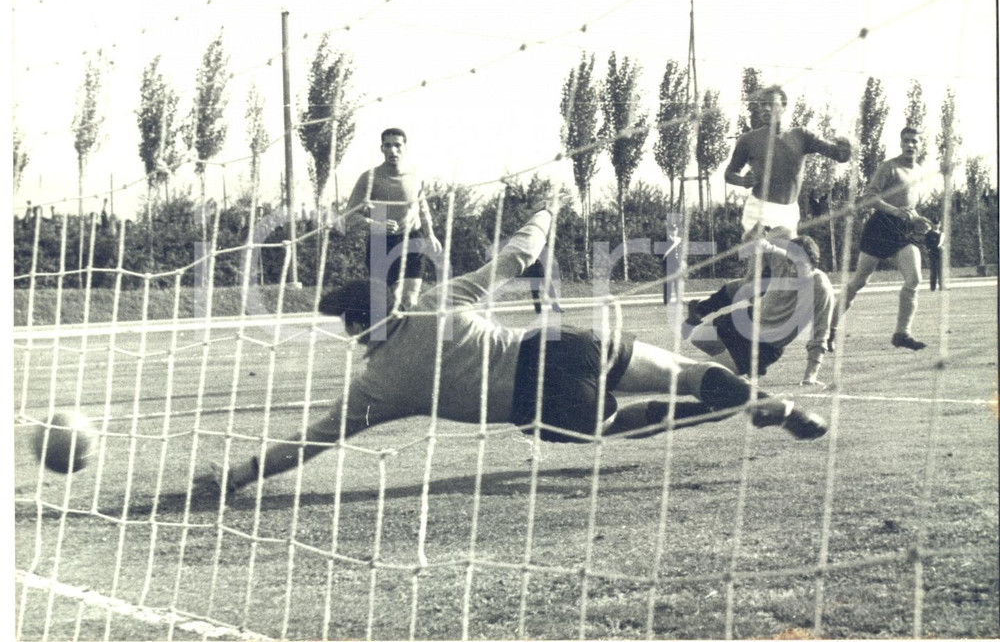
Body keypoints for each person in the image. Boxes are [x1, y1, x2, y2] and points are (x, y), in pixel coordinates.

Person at [195, 196, 828, 498]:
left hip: (537, 408)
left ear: (356, 329)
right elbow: (517, 255)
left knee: (613, 425)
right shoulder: (439, 301)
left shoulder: (375, 386)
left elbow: (312, 441)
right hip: (561, 346)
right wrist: (549, 209)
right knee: (690, 371)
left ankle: (722, 408)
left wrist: (239, 476)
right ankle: (766, 404)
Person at [685, 85, 851, 331]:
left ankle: (703, 309)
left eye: (770, 104)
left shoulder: (801, 135)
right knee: (760, 278)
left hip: (788, 213)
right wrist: (742, 181)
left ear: (783, 107)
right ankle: (743, 330)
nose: (764, 108)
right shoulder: (749, 140)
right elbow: (730, 173)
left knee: (772, 277)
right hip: (758, 211)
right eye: (761, 104)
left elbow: (837, 154)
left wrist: (844, 148)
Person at [830, 127, 933, 351]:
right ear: (900, 142)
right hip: (880, 228)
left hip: (902, 232)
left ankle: (902, 333)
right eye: (906, 140)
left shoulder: (918, 171)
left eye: (914, 141)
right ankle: (830, 330)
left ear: (920, 145)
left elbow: (910, 207)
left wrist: (918, 219)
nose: (910, 145)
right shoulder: (889, 167)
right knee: (859, 282)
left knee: (914, 279)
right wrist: (895, 211)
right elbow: (869, 197)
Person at [687, 233, 834, 386]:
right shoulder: (783, 259)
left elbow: (820, 333)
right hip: (748, 320)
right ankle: (742, 372)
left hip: (765, 345)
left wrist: (810, 376)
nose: (792, 269)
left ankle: (741, 369)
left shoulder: (820, 287)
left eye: (800, 265)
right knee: (699, 337)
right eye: (789, 262)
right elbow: (768, 246)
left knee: (702, 372)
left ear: (814, 266)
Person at [345, 128, 443, 309]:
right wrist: (376, 225)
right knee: (389, 303)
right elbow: (350, 216)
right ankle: (386, 334)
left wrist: (430, 234)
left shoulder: (415, 174)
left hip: (413, 238)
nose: (393, 150)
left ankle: (410, 336)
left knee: (410, 300)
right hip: (382, 244)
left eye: (397, 145)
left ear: (405, 147)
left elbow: (421, 206)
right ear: (381, 148)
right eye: (388, 145)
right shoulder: (369, 178)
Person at [661, 222, 683, 305]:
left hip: (677, 265)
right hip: (668, 265)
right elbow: (662, 254)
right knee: (668, 284)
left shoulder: (679, 240)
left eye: (675, 230)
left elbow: (680, 253)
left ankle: (679, 300)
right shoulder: (665, 240)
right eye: (672, 230)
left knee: (678, 283)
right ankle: (667, 301)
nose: (674, 232)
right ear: (669, 231)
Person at [925, 220, 944, 292]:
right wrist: (930, 249)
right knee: (933, 271)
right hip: (933, 253)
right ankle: (932, 287)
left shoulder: (941, 234)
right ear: (932, 224)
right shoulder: (929, 234)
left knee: (941, 270)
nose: (936, 225)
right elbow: (927, 244)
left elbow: (943, 244)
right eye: (935, 224)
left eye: (938, 224)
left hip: (940, 253)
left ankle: (941, 286)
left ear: (940, 224)